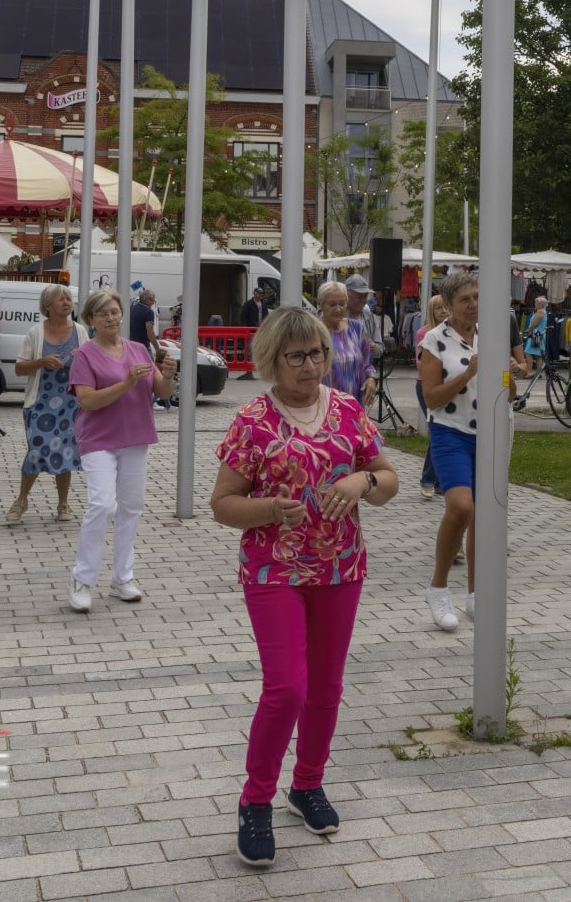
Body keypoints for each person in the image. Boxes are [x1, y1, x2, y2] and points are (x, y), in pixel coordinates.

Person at [211, 306, 398, 869]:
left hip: (341, 567)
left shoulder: (347, 410)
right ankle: (256, 800)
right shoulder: (253, 421)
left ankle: (307, 784)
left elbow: (388, 481)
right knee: (287, 688)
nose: (311, 365)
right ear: (272, 360)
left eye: (317, 352)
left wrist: (362, 480)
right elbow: (223, 505)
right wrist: (268, 508)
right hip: (275, 572)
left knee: (326, 688)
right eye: (296, 356)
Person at [416, 274, 528, 629]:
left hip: (490, 432)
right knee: (461, 507)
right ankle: (438, 588)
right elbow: (431, 398)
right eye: (465, 299)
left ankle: (476, 594)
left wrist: (511, 373)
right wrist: (469, 373)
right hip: (450, 432)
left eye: (478, 297)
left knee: (484, 515)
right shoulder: (434, 341)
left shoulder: (491, 335)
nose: (474, 304)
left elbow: (508, 395)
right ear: (448, 306)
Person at [66, 289, 175, 612]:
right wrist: (125, 384)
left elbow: (162, 391)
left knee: (131, 507)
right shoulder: (85, 355)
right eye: (103, 314)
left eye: (114, 311)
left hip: (136, 436)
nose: (111, 318)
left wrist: (168, 374)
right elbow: (87, 400)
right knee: (101, 504)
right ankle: (82, 579)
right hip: (98, 439)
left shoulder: (138, 349)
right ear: (91, 320)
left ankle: (122, 578)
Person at [9, 284, 82, 525]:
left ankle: (63, 504)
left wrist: (81, 357)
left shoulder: (80, 331)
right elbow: (19, 368)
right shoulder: (35, 333)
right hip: (40, 403)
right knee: (37, 451)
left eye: (68, 298)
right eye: (60, 299)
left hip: (71, 404)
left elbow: (91, 363)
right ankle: (21, 500)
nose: (66, 302)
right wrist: (41, 361)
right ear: (48, 305)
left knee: (66, 452)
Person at [314, 281, 376, 410]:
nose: (338, 309)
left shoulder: (356, 328)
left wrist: (371, 379)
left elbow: (367, 362)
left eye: (342, 304)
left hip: (354, 404)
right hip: (323, 405)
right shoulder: (313, 331)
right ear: (320, 304)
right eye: (332, 304)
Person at [412, 293, 448, 499]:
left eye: (445, 308)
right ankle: (428, 480)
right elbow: (420, 362)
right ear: (431, 311)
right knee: (438, 430)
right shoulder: (423, 333)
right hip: (426, 385)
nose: (443, 312)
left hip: (448, 385)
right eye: (438, 308)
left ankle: (439, 481)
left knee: (443, 430)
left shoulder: (453, 333)